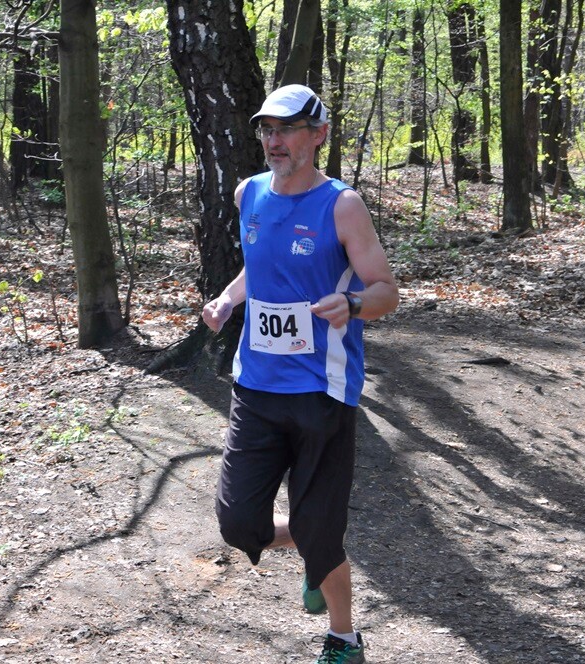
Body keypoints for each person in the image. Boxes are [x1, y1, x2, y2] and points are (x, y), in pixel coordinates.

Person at [202, 84, 400, 664]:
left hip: (323, 390)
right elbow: (259, 266)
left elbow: (385, 289)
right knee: (238, 523)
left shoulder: (342, 205)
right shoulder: (249, 194)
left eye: (287, 129)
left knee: (320, 529)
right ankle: (315, 543)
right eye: (267, 129)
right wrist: (227, 300)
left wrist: (356, 305)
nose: (274, 140)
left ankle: (343, 637)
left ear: (318, 136)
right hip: (256, 386)